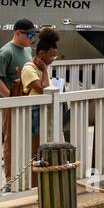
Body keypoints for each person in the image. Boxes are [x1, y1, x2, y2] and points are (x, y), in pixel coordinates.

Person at [0, 18, 36, 179]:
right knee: (11, 140)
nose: (32, 38)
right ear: (17, 33)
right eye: (29, 35)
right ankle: (10, 178)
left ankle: (27, 174)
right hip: (13, 103)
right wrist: (10, 96)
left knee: (29, 138)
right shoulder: (6, 52)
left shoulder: (28, 50)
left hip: (27, 102)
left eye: (33, 35)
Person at [20, 27, 61, 157]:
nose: (53, 59)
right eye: (51, 56)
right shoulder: (28, 69)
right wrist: (44, 70)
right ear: (41, 54)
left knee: (44, 145)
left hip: (43, 111)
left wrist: (44, 69)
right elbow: (44, 90)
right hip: (34, 111)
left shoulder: (41, 69)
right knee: (35, 147)